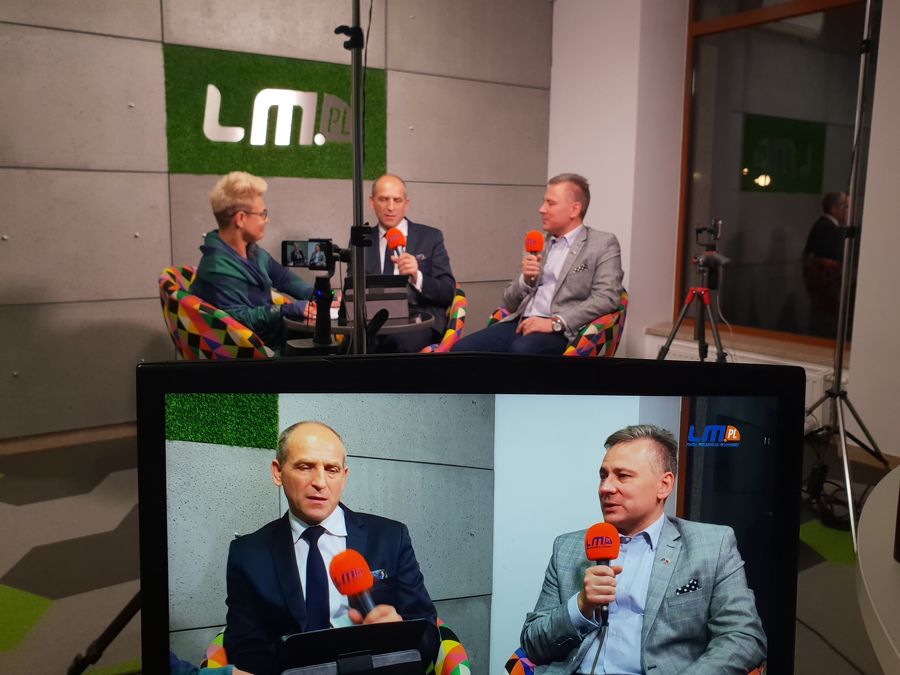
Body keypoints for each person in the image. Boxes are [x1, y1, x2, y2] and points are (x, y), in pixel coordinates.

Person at [520, 425, 766, 674]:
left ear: (664, 485)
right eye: (604, 476)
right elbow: (532, 643)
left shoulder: (712, 546)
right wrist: (581, 605)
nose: (606, 487)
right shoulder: (567, 548)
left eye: (623, 476)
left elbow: (743, 637)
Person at [223, 421, 438, 675]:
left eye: (331, 469)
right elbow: (244, 648)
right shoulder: (247, 553)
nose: (320, 482)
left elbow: (428, 632)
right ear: (278, 472)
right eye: (305, 467)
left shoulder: (391, 537)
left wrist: (400, 635)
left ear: (344, 477)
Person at [451, 173, 624, 354]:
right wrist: (525, 280)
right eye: (544, 202)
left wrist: (555, 322)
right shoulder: (537, 242)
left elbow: (607, 297)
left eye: (551, 203)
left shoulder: (602, 243)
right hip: (521, 322)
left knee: (522, 351)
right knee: (462, 350)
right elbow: (509, 303)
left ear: (574, 209)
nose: (542, 209)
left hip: (563, 331)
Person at [190, 171, 315, 352]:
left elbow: (283, 278)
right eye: (262, 214)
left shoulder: (253, 251)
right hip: (259, 353)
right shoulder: (216, 267)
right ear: (241, 218)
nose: (267, 219)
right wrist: (287, 310)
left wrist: (322, 297)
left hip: (276, 337)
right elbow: (239, 320)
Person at [362, 174, 456, 352]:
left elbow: (447, 292)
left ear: (406, 204)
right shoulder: (361, 241)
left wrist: (417, 276)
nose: (390, 207)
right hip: (372, 322)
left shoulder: (431, 237)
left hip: (419, 320)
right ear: (372, 202)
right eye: (383, 199)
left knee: (396, 342)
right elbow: (353, 288)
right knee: (350, 345)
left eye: (397, 200)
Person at [803, 192, 848, 336]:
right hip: (827, 296)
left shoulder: (824, 226)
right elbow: (823, 263)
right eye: (845, 207)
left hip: (824, 296)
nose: (848, 211)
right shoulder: (828, 229)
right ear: (834, 209)